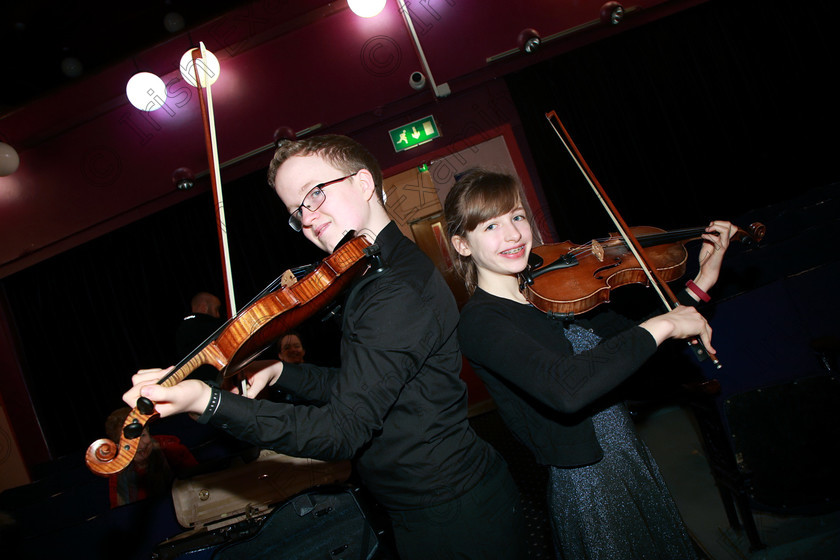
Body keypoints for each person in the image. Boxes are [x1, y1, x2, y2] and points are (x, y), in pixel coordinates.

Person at [122, 135, 528, 560]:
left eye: (315, 193)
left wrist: (209, 402)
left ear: (364, 182)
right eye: (297, 211)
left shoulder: (394, 289)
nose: (308, 218)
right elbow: (362, 387)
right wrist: (281, 372)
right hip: (427, 505)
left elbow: (342, 430)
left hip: (455, 517)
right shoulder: (372, 272)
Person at [443, 168, 737, 559]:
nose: (513, 234)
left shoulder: (557, 291)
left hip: (630, 457)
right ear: (462, 245)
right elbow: (566, 389)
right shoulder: (480, 322)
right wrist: (662, 323)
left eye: (516, 216)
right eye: (490, 226)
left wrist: (701, 281)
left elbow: (634, 347)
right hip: (589, 484)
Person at [104, 407, 199, 508]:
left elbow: (200, 485)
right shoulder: (118, 473)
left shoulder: (173, 451)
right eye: (130, 442)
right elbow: (120, 513)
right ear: (119, 446)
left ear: (148, 431)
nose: (141, 446)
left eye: (143, 435)